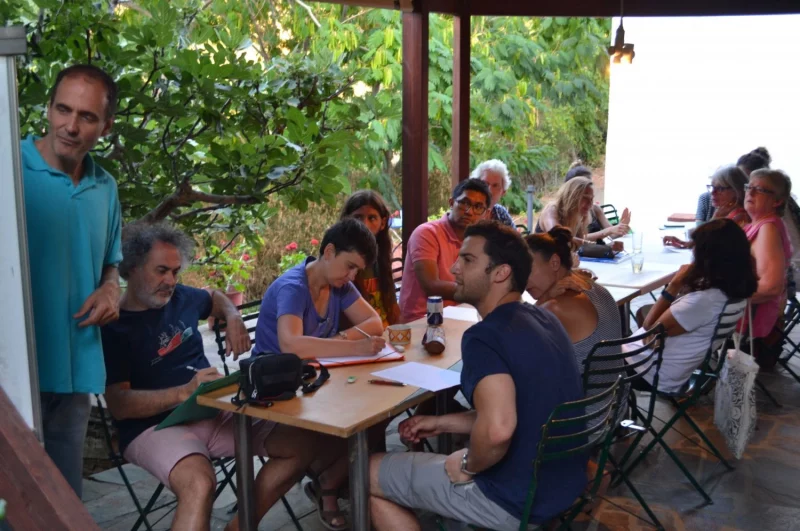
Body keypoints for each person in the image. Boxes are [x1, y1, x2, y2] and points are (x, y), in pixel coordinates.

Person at [101, 222, 349, 531]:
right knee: (199, 483)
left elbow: (215, 296)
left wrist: (232, 316)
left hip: (212, 409)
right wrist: (182, 392)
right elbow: (119, 405)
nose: (171, 281)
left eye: (176, 272)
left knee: (302, 443)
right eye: (161, 271)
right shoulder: (115, 326)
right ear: (132, 268)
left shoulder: (182, 297)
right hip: (153, 427)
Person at [369, 221, 587, 531]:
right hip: (563, 483)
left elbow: (498, 430)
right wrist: (441, 423)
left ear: (500, 273)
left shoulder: (484, 337)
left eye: (468, 260)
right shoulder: (544, 317)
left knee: (366, 472)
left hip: (512, 499)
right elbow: (518, 410)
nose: (454, 268)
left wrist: (468, 465)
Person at [22, 64, 122, 496]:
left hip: (75, 372)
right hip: (14, 374)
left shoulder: (106, 188)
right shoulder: (9, 170)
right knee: (13, 503)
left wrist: (110, 287)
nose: (70, 126)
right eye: (63, 110)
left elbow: (111, 262)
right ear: (48, 109)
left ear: (106, 126)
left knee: (64, 502)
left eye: (87, 116)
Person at [625, 219, 756, 393]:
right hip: (657, 367)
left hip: (646, 371)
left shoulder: (704, 301)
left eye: (695, 247)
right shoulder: (732, 291)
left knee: (590, 349)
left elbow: (648, 330)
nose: (692, 252)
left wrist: (674, 285)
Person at [254, 218, 386, 358]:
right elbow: (291, 346)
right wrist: (356, 347)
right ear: (329, 252)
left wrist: (337, 341)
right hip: (272, 369)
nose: (352, 277)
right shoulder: (293, 288)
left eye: (357, 270)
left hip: (312, 367)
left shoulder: (340, 285)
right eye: (350, 266)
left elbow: (375, 323)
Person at [525, 227, 622, 366]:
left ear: (554, 263)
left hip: (585, 381)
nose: (522, 279)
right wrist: (544, 298)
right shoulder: (591, 285)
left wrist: (543, 300)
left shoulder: (555, 308)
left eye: (527, 270)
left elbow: (511, 349)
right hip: (615, 380)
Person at [399, 179, 491, 323]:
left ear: (486, 213)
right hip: (420, 320)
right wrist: (478, 292)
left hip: (460, 314)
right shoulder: (426, 233)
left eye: (478, 207)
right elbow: (431, 286)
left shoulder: (477, 239)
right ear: (451, 203)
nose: (469, 212)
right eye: (464, 203)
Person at [742, 169, 794, 368]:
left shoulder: (768, 229)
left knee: (666, 319)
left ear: (777, 201)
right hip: (739, 313)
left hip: (746, 319)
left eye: (760, 189)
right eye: (749, 187)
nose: (750, 193)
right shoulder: (759, 224)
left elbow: (771, 287)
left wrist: (723, 299)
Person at [339, 190, 401, 327]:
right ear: (346, 220)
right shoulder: (339, 261)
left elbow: (392, 308)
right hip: (360, 334)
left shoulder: (382, 255)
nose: (364, 225)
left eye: (372, 218)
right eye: (358, 217)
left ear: (383, 223)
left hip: (386, 332)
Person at [665, 166, 751, 248]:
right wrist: (683, 243)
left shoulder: (739, 217)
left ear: (736, 191)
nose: (713, 192)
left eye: (720, 188)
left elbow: (707, 245)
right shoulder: (726, 213)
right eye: (712, 187)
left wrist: (715, 219)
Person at [535, 176, 629, 245]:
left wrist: (607, 247)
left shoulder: (577, 214)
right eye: (585, 198)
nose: (590, 204)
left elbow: (580, 242)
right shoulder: (552, 210)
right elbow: (559, 238)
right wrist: (607, 231)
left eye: (591, 199)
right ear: (572, 196)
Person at [564, 162, 631, 239]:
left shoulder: (595, 209)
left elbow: (612, 234)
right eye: (582, 185)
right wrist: (607, 231)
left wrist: (621, 227)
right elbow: (575, 239)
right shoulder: (566, 213)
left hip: (600, 247)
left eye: (589, 184)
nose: (588, 187)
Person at [469, 159, 514, 226]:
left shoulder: (501, 213)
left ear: (503, 192)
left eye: (495, 186)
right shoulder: (467, 211)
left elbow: (513, 233)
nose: (489, 190)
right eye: (485, 183)